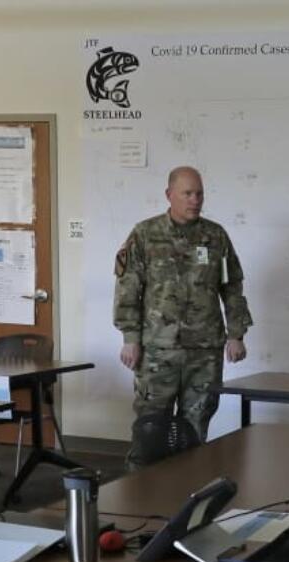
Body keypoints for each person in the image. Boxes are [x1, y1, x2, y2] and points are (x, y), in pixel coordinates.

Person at [113, 166, 253, 451]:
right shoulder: (145, 234)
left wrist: (236, 334)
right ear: (169, 195)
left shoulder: (216, 237)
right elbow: (128, 288)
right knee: (150, 427)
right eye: (187, 193)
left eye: (199, 193)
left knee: (195, 427)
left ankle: (189, 490)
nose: (195, 200)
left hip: (204, 352)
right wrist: (130, 338)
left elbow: (232, 286)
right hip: (158, 350)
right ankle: (140, 491)